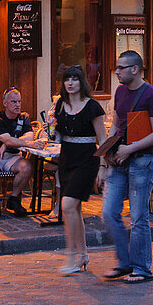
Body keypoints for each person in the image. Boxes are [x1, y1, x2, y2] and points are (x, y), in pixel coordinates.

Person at [100, 50, 153, 284]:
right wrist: (108, 150)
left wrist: (131, 148)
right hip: (119, 159)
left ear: (135, 69)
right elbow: (116, 124)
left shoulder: (152, 95)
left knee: (139, 217)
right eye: (117, 67)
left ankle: (141, 268)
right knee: (108, 212)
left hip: (142, 161)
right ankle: (124, 262)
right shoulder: (119, 92)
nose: (117, 71)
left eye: (121, 67)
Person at [50, 65, 107, 275]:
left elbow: (102, 139)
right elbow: (57, 135)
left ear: (81, 82)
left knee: (67, 204)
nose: (70, 83)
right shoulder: (60, 105)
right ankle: (82, 255)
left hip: (87, 159)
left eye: (74, 79)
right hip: (67, 158)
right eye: (67, 79)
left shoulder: (92, 106)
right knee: (73, 210)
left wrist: (103, 166)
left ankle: (71, 255)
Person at [0, 88, 43, 221]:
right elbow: (12, 139)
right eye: (13, 101)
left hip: (12, 155)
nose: (17, 105)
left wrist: (8, 144)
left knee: (27, 166)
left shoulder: (24, 117)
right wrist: (9, 142)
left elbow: (29, 136)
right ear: (5, 103)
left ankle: (13, 199)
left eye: (19, 101)